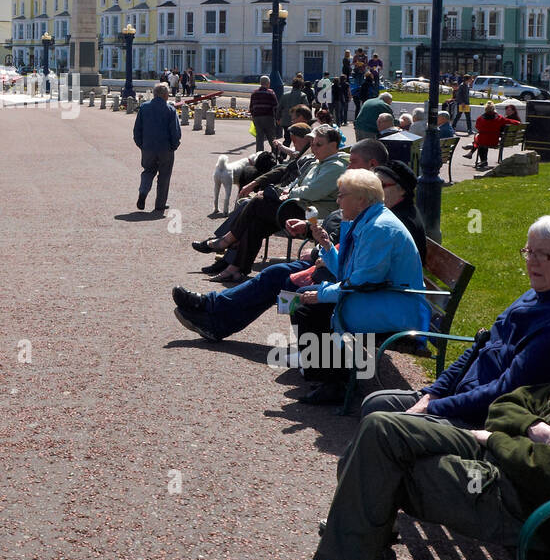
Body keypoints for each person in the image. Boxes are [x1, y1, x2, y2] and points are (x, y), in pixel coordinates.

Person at [305, 284, 550, 560]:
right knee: (382, 427)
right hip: (506, 468)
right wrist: (535, 426)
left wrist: (495, 438)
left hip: (534, 508)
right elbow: (509, 403)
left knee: (380, 467)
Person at [360, 215, 550, 427]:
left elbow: (506, 390)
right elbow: (480, 345)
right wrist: (433, 393)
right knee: (376, 403)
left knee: (381, 425)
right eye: (529, 251)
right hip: (459, 397)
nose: (531, 261)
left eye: (543, 255)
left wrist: (433, 407)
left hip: (482, 418)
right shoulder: (538, 293)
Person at [174, 139, 387, 341]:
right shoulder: (364, 196)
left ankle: (216, 294)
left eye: (353, 161)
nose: (348, 165)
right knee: (262, 235)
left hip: (338, 272)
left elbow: (360, 264)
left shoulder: (372, 203)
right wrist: (313, 230)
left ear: (372, 164)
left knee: (279, 277)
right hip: (329, 257)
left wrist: (318, 250)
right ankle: (215, 304)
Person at [290, 168, 428, 404]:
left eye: (343, 195)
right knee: (306, 299)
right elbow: (351, 274)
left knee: (310, 307)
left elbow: (364, 280)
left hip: (397, 308)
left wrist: (322, 294)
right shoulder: (368, 220)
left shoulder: (378, 228)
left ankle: (334, 383)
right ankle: (329, 375)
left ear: (361, 199)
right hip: (383, 297)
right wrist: (326, 245)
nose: (338, 200)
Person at [198, 124, 348, 284]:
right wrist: (288, 191)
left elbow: (312, 192)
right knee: (256, 222)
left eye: (318, 144)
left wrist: (289, 193)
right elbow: (299, 184)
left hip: (313, 217)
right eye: (312, 143)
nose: (313, 147)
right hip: (299, 208)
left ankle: (227, 241)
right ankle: (235, 269)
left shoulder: (336, 167)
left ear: (333, 146)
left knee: (257, 202)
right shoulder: (319, 163)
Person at [133, 82, 181, 212]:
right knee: (164, 176)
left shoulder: (144, 108)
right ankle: (160, 204)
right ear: (165, 95)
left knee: (148, 171)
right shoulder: (170, 109)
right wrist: (174, 145)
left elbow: (137, 129)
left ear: (154, 94)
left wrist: (141, 144)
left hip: (148, 147)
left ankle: (143, 192)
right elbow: (175, 131)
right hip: (166, 148)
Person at [470, 102, 513, 170]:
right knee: (483, 140)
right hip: (494, 141)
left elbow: (477, 127)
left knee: (479, 140)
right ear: (494, 109)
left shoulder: (480, 119)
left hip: (483, 141)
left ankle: (482, 160)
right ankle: (481, 160)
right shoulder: (499, 118)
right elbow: (510, 121)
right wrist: (519, 122)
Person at [248, 76, 279, 152]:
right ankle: (275, 154)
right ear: (268, 83)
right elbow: (275, 107)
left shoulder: (254, 93)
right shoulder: (271, 93)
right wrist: (277, 118)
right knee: (271, 137)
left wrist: (254, 117)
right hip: (268, 117)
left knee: (259, 138)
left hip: (257, 118)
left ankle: (259, 155)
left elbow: (251, 107)